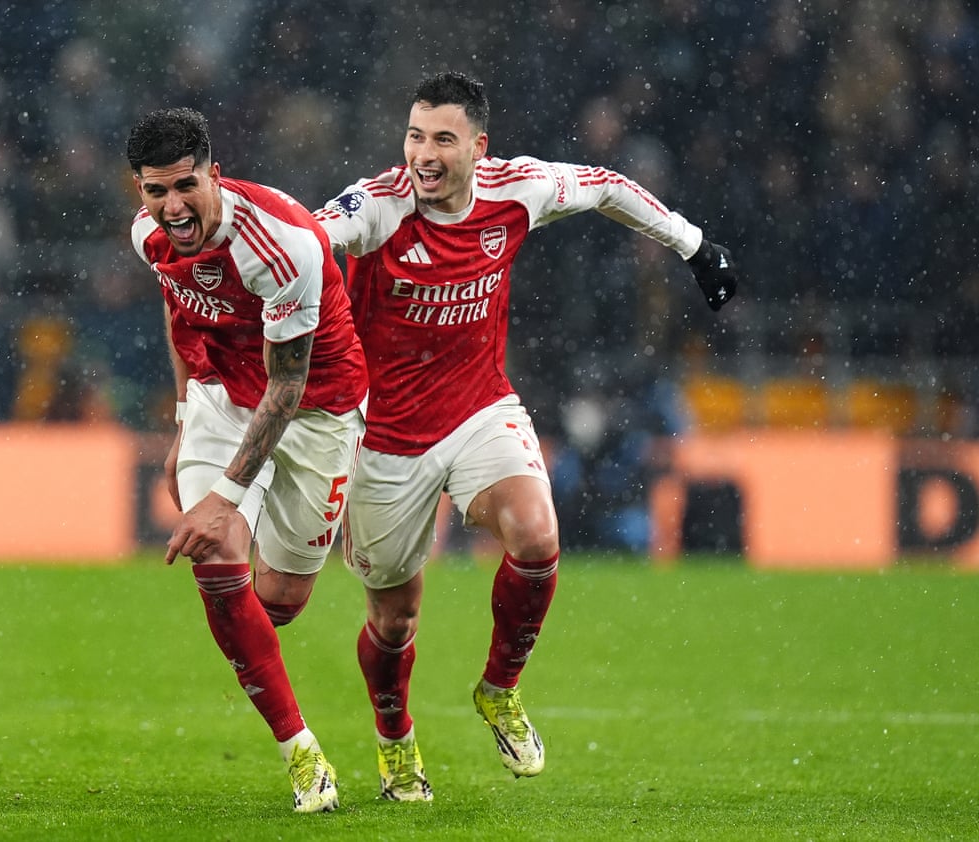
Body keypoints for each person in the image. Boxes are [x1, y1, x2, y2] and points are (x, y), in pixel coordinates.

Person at [313, 71, 738, 801]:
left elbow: (605, 185)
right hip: (384, 434)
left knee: (538, 539)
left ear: (480, 147)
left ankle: (499, 688)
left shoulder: (518, 189)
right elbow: (301, 243)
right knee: (394, 620)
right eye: (415, 135)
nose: (423, 154)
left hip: (481, 407)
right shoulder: (376, 207)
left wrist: (693, 244)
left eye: (443, 139)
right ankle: (395, 744)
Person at [126, 106, 368, 814]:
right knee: (219, 561)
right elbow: (180, 307)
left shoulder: (281, 245)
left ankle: (250, 618)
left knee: (282, 602)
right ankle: (302, 753)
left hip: (316, 409)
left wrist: (224, 493)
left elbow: (287, 387)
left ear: (216, 176)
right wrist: (182, 422)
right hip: (222, 396)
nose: (172, 206)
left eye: (185, 186)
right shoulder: (151, 235)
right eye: (155, 191)